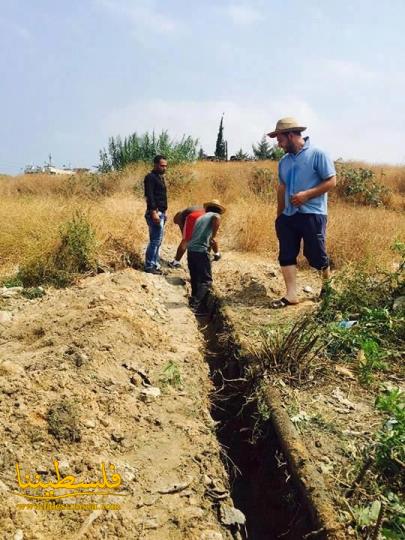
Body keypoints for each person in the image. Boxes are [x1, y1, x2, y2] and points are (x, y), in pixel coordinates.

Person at [267, 117, 336, 308]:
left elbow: (331, 181)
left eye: (280, 139)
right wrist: (279, 215)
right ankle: (291, 295)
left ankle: (327, 287)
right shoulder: (284, 161)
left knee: (316, 254)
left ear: (290, 135)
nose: (278, 144)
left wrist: (306, 195)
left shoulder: (318, 154)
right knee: (286, 253)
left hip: (313, 213)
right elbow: (282, 187)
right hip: (288, 216)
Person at [185, 199, 225, 316]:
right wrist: (217, 253)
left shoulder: (201, 218)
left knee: (195, 278)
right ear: (218, 210)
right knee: (207, 281)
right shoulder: (216, 216)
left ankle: (196, 303)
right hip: (201, 251)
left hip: (191, 250)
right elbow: (212, 239)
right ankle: (195, 304)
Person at [144, 155, 168, 274]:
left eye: (165, 166)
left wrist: (164, 212)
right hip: (155, 212)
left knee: (158, 240)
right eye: (162, 165)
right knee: (154, 240)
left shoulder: (160, 177)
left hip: (161, 212)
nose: (164, 168)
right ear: (155, 164)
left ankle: (155, 264)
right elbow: (150, 196)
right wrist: (154, 212)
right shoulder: (150, 177)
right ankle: (149, 266)